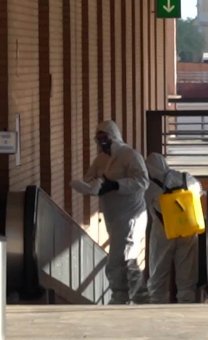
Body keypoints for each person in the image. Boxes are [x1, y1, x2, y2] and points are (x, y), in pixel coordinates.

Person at [79, 120, 150, 304]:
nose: (102, 142)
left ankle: (127, 297)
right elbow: (89, 177)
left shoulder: (130, 156)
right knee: (121, 258)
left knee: (124, 258)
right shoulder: (101, 160)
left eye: (105, 138)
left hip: (131, 215)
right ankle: (130, 296)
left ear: (113, 137)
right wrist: (93, 186)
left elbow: (143, 181)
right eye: (99, 139)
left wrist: (116, 185)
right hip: (113, 217)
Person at [144, 153, 202, 303]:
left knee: (158, 277)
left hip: (163, 233)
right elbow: (198, 192)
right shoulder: (184, 177)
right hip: (188, 230)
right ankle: (186, 308)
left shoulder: (148, 186)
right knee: (187, 279)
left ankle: (158, 312)